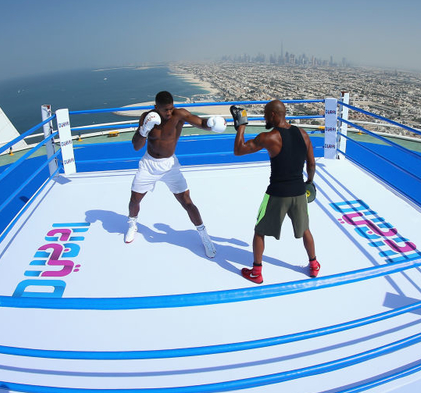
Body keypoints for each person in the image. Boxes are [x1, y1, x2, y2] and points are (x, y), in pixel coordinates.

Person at [126, 90, 227, 258]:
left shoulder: (179, 115)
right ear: (155, 107)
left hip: (169, 165)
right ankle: (132, 224)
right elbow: (136, 146)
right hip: (149, 164)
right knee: (134, 199)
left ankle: (205, 236)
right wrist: (144, 130)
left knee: (187, 202)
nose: (168, 113)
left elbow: (200, 122)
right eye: (165, 109)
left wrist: (212, 123)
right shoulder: (147, 117)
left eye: (170, 108)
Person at [231, 100, 320, 283]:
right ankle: (314, 265)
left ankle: (256, 272)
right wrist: (309, 182)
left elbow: (238, 150)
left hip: (277, 194)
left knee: (259, 231)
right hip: (299, 192)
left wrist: (241, 126)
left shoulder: (269, 137)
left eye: (265, 114)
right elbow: (311, 164)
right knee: (305, 230)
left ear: (272, 115)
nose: (264, 117)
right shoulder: (302, 133)